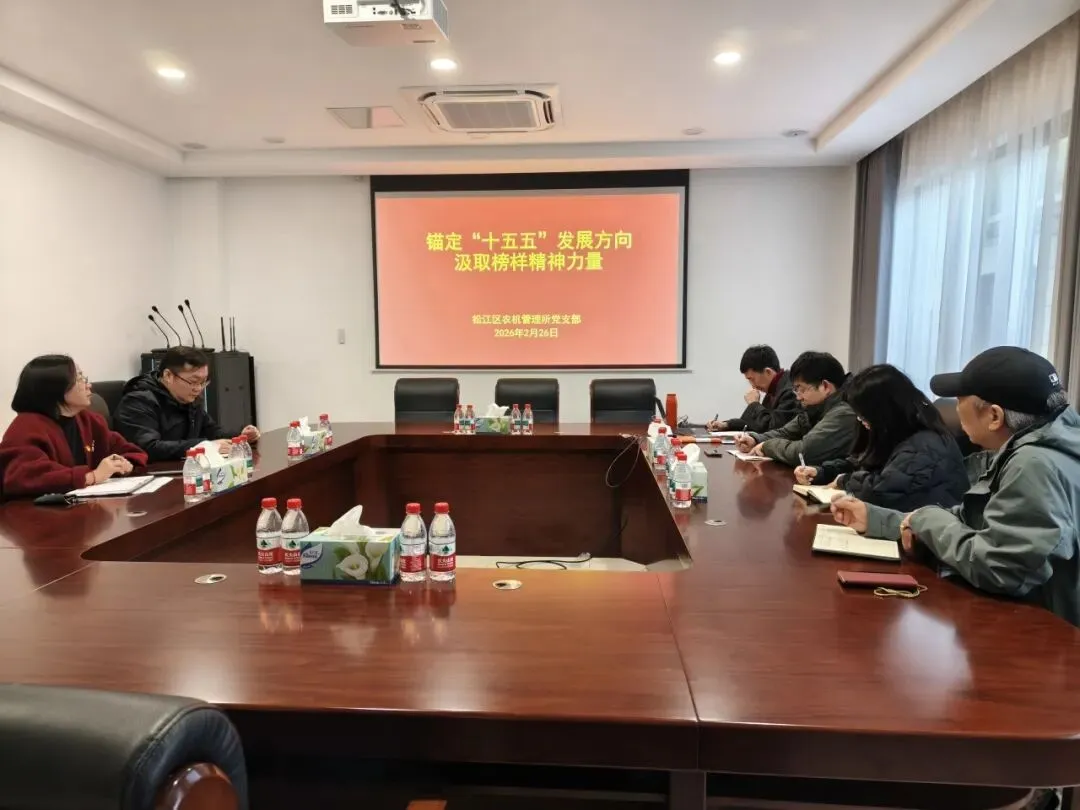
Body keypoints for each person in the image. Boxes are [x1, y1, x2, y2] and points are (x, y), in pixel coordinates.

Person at [831, 347, 1080, 627]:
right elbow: (972, 520)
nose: (953, 406)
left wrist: (926, 519)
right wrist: (879, 519)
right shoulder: (1044, 447)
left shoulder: (1034, 464)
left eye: (960, 398)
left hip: (1048, 636)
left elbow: (1000, 569)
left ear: (994, 416)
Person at [793, 364, 968, 512]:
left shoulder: (923, 445)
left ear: (883, 411)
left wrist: (843, 481)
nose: (861, 420)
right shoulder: (898, 430)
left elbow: (880, 492)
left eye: (863, 415)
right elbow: (864, 461)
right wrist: (822, 473)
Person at [0, 355, 147, 497]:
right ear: (56, 389)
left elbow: (128, 450)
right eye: (80, 379)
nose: (89, 385)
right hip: (35, 511)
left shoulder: (88, 419)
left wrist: (124, 463)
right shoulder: (25, 427)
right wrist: (92, 476)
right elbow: (24, 476)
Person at [114, 346, 260, 462]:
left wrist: (240, 436)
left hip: (187, 470)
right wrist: (207, 446)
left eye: (203, 382)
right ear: (168, 376)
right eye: (193, 382)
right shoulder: (138, 402)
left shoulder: (187, 398)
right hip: (153, 477)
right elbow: (149, 448)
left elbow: (212, 432)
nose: (198, 388)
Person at [735, 351, 859, 467]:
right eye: (796, 390)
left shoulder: (844, 412)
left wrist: (767, 446)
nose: (798, 397)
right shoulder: (814, 407)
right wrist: (755, 439)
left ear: (825, 386)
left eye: (801, 389)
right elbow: (785, 432)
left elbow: (804, 452)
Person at [707, 345, 799, 433]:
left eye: (752, 379)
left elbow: (773, 428)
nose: (753, 386)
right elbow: (755, 423)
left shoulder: (790, 392)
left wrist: (754, 404)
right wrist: (726, 425)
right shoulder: (775, 387)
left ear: (768, 372)